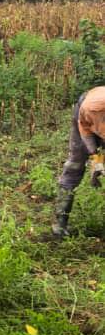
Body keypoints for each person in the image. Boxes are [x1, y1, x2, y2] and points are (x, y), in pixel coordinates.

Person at [53, 86, 105, 238]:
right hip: (86, 110)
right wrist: (96, 157)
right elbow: (85, 130)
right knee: (75, 166)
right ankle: (60, 223)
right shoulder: (89, 109)